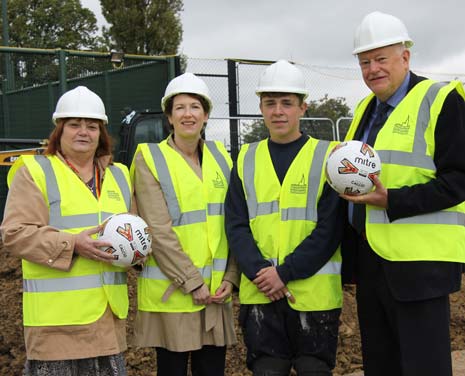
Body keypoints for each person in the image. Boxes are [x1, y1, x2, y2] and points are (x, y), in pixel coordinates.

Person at [341, 11, 465, 376]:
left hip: (419, 267)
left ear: (405, 57)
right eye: (365, 61)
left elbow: (459, 179)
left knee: (423, 367)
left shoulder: (440, 100)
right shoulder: (365, 109)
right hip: (372, 263)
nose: (372, 69)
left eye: (381, 59)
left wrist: (393, 200)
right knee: (381, 366)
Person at [0, 86, 133, 375]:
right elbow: (15, 233)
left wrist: (137, 251)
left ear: (101, 133)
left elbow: (132, 232)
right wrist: (73, 244)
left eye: (92, 126)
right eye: (74, 124)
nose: (83, 132)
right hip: (55, 327)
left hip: (106, 323)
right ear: (59, 130)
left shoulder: (119, 176)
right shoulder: (35, 171)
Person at [225, 60, 344, 376]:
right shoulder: (246, 159)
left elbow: (330, 228)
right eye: (270, 103)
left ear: (303, 107)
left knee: (313, 370)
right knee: (267, 369)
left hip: (314, 297)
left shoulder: (328, 157)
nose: (278, 111)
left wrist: (285, 272)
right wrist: (261, 272)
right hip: (261, 294)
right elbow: (236, 224)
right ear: (261, 107)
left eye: (287, 103)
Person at [130, 72, 238, 376]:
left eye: (195, 107)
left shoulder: (222, 157)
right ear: (169, 116)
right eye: (180, 108)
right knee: (172, 369)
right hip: (175, 292)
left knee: (212, 369)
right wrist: (192, 281)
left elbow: (235, 222)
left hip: (216, 292)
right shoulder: (149, 158)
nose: (188, 114)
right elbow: (158, 231)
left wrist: (232, 276)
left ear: (205, 115)